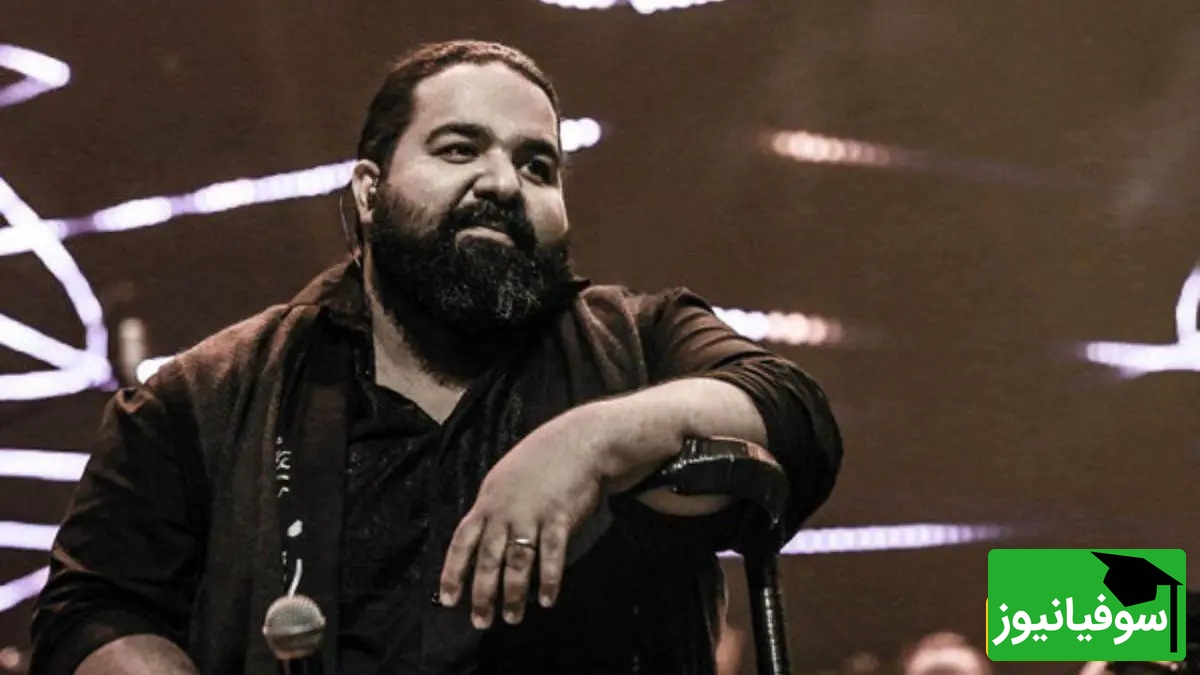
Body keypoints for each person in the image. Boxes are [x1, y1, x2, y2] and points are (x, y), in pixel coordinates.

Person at [28, 40, 843, 675]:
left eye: (538, 164)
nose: (503, 182)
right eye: (459, 149)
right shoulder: (204, 395)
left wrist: (586, 445)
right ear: (368, 190)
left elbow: (792, 412)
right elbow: (91, 609)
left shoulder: (641, 341)